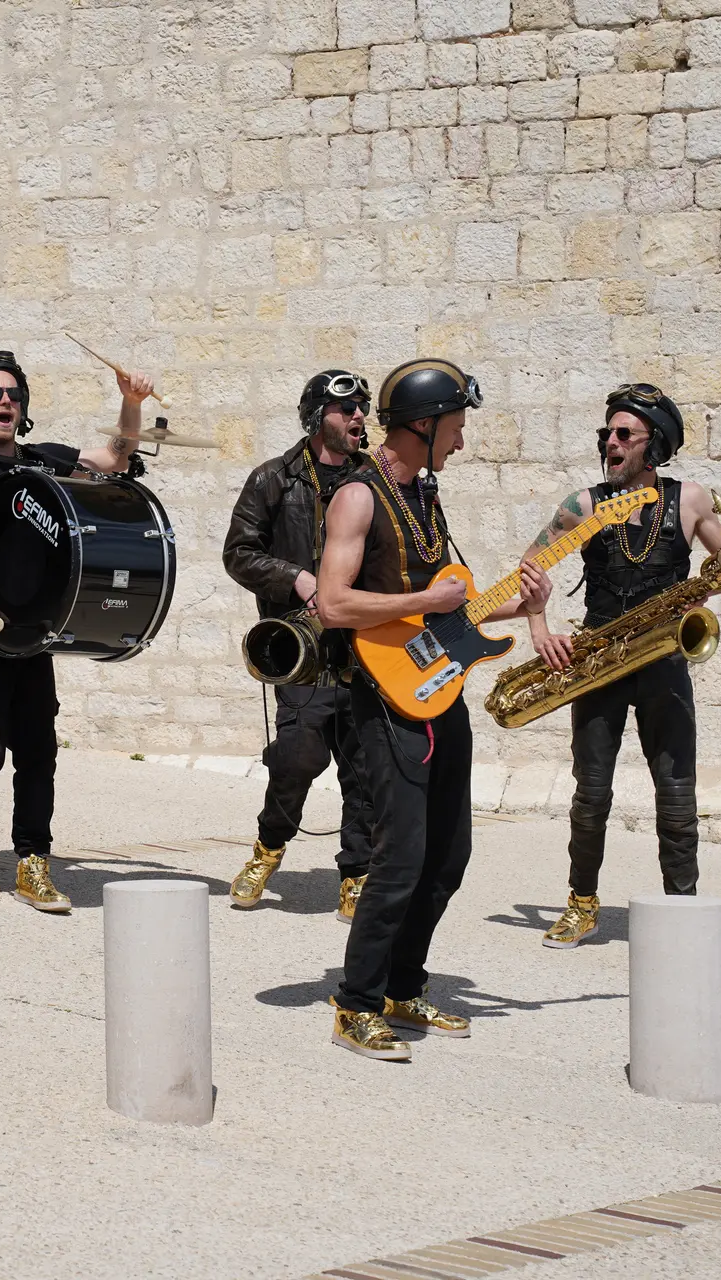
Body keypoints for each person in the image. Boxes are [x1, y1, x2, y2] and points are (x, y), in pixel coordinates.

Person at [316, 359, 551, 1062]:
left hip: (439, 691)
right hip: (383, 700)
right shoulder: (357, 497)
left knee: (449, 854)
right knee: (400, 856)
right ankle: (356, 1005)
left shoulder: (424, 496)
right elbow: (333, 604)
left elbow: (452, 613)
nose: (462, 440)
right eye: (455, 426)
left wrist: (524, 605)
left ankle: (403, 987)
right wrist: (426, 600)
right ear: (423, 424)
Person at [0, 350, 154, 913]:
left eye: (13, 394)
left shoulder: (43, 462)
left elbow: (115, 458)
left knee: (39, 752)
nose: (5, 402)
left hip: (31, 635)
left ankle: (33, 863)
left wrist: (130, 402)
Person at [522, 384, 721, 948]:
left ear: (654, 443)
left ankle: (682, 911)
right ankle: (581, 903)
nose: (610, 443)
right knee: (591, 792)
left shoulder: (691, 499)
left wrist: (700, 595)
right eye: (606, 434)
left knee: (677, 791)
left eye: (623, 434)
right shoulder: (585, 505)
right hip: (598, 661)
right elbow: (531, 565)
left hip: (664, 656)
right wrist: (540, 629)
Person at [223, 370, 377, 919]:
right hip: (301, 651)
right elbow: (238, 553)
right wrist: (298, 578)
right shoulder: (273, 478)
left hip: (365, 645)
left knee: (364, 767)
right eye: (346, 409)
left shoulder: (375, 479)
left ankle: (357, 875)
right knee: (296, 758)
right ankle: (268, 848)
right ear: (316, 417)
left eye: (362, 407)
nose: (359, 416)